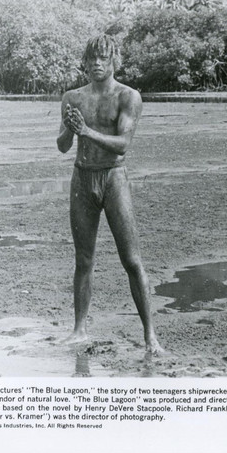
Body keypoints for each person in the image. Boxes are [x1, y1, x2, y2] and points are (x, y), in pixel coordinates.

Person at [57, 34, 163, 355]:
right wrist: (69, 128)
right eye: (91, 59)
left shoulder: (128, 97)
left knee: (131, 260)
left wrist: (86, 130)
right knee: (84, 260)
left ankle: (150, 337)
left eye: (103, 58)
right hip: (82, 179)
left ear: (115, 61)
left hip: (114, 179)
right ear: (85, 62)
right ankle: (79, 329)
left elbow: (124, 145)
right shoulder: (72, 97)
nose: (96, 64)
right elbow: (63, 146)